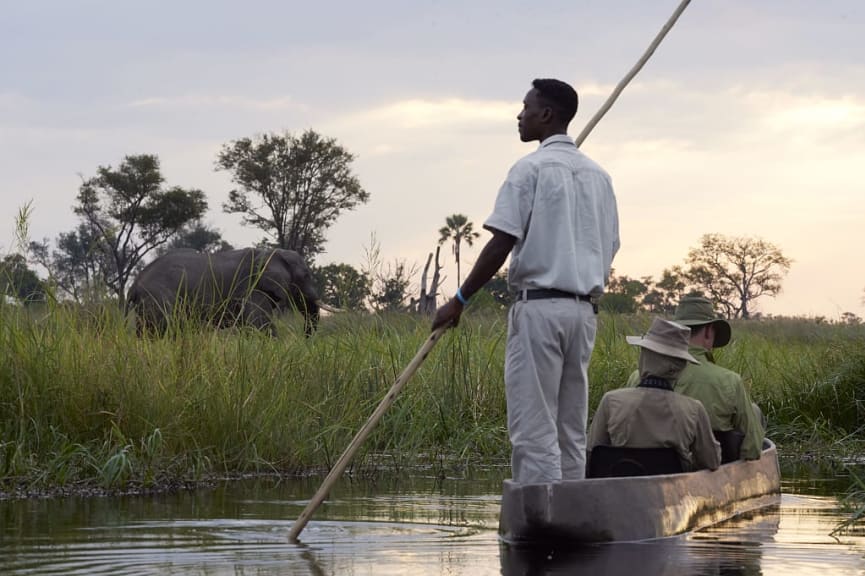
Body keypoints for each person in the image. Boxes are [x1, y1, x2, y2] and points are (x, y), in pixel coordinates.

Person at [432, 78, 620, 484]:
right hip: (584, 313)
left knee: (535, 427)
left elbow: (501, 243)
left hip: (539, 310)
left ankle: (544, 520)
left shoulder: (529, 169)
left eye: (526, 107)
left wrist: (460, 300)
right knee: (570, 427)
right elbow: (611, 246)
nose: (520, 115)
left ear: (547, 114)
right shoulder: (599, 177)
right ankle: (573, 510)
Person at [627, 295, 765, 460]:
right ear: (708, 331)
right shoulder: (730, 381)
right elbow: (752, 449)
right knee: (754, 411)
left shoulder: (636, 378)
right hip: (708, 467)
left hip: (641, 464)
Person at [587, 317, 721, 472]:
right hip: (672, 493)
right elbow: (712, 461)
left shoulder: (611, 401)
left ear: (644, 357)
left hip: (619, 491)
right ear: (680, 366)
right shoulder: (693, 410)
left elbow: (592, 454)